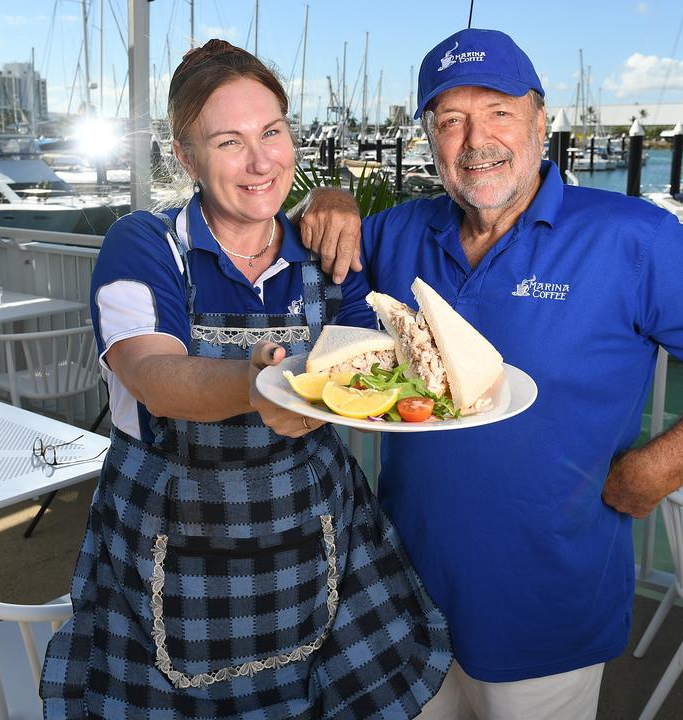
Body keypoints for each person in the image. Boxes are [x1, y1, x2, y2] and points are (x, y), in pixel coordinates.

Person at [297, 28, 683, 719]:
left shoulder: (632, 238)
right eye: (451, 120)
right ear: (429, 137)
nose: (476, 140)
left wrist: (663, 465)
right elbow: (321, 298)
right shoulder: (398, 233)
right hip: (403, 599)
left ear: (542, 122)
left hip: (548, 610)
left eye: (500, 112)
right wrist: (328, 201)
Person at [39, 39, 451, 719]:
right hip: (174, 547)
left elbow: (369, 364)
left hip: (315, 540)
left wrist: (337, 198)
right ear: (186, 156)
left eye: (273, 132)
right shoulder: (146, 244)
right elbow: (153, 373)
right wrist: (257, 389)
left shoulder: (325, 255)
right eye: (229, 141)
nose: (261, 162)